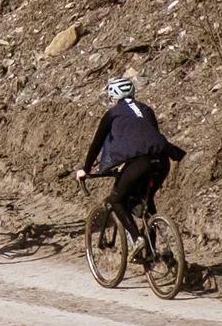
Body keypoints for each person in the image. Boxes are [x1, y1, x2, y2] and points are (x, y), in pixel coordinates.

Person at [75, 76, 184, 230]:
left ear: (112, 96)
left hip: (139, 163)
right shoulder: (146, 110)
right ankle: (153, 249)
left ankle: (137, 238)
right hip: (162, 161)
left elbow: (97, 142)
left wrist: (85, 169)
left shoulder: (112, 114)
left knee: (116, 200)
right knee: (147, 199)